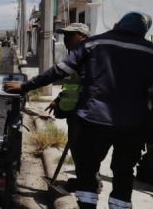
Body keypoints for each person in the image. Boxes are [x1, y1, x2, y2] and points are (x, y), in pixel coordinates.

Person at [14, 11, 153, 209]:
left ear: (118, 23)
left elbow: (59, 71)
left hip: (94, 120)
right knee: (124, 173)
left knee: (87, 172)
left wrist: (25, 86)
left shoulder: (94, 44)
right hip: (133, 125)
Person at [5, 22, 90, 189]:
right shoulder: (80, 54)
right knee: (78, 148)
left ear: (82, 36)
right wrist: (59, 98)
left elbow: (56, 72)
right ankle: (84, 181)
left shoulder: (85, 53)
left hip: (86, 112)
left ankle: (88, 184)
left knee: (84, 150)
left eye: (70, 35)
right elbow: (76, 83)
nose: (65, 39)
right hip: (78, 111)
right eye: (64, 35)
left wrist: (24, 86)